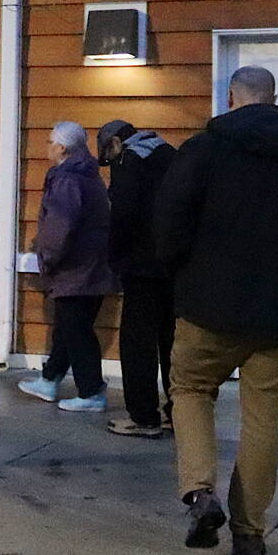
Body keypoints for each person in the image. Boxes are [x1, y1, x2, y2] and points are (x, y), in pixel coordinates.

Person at [156, 65, 278, 555]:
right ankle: (249, 533)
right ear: (274, 99)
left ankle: (200, 493)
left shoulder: (202, 150)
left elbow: (168, 225)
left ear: (231, 98)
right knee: (263, 423)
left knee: (191, 391)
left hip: (206, 309)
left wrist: (180, 279)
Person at [18, 121, 116, 412]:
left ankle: (91, 391)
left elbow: (59, 225)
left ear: (62, 147)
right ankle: (51, 379)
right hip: (92, 265)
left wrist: (46, 257)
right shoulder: (89, 176)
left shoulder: (67, 179)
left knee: (76, 330)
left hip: (76, 267)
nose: (47, 146)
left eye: (50, 141)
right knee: (68, 326)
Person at [97, 119, 178, 438]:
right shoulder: (169, 155)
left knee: (138, 342)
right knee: (170, 339)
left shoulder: (129, 161)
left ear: (115, 144)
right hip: (173, 266)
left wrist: (115, 259)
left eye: (108, 157)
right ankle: (178, 411)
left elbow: (123, 216)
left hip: (142, 267)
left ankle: (143, 416)